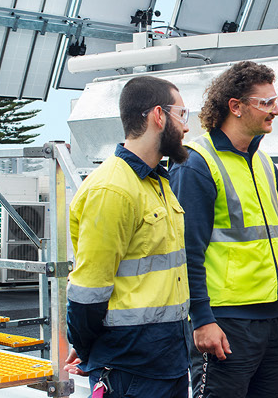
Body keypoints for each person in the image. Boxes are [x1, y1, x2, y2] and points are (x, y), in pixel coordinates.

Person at [171, 61, 278, 398]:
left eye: (275, 101)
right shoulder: (196, 163)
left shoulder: (265, 162)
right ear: (236, 107)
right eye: (266, 103)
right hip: (225, 322)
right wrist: (201, 319)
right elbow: (186, 253)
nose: (276, 111)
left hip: (273, 317)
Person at [63, 75, 193, 397]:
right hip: (130, 370)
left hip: (168, 362)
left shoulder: (157, 183)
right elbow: (87, 293)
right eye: (182, 115)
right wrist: (92, 352)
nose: (187, 127)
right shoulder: (113, 189)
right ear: (158, 116)